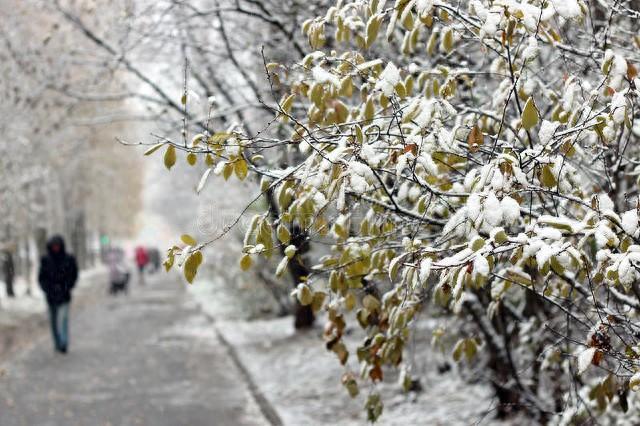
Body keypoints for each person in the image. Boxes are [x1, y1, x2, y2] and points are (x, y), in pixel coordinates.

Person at [38, 235, 78, 354]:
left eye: (57, 246)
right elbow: (41, 278)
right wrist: (48, 289)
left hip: (64, 295)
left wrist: (66, 287)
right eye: (53, 246)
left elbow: (73, 275)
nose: (56, 248)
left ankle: (63, 343)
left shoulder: (69, 258)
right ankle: (57, 343)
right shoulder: (45, 260)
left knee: (64, 319)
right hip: (51, 296)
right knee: (53, 321)